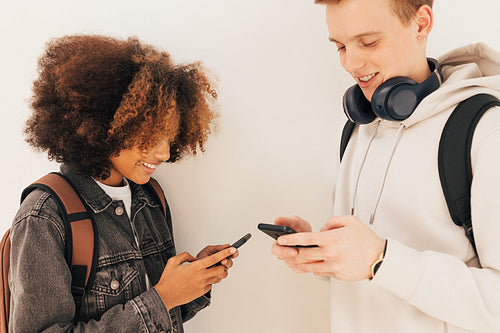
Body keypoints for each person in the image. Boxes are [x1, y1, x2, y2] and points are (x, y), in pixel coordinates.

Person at [271, 0, 500, 332]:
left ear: (421, 23)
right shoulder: (360, 127)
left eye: (368, 42)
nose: (351, 63)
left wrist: (381, 259)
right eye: (340, 46)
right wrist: (327, 255)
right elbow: (375, 276)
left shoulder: (484, 130)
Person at [10, 34, 238, 332]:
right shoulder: (44, 216)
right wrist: (163, 297)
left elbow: (161, 317)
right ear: (105, 124)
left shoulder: (150, 197)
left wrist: (194, 282)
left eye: (169, 136)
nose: (164, 153)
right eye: (150, 135)